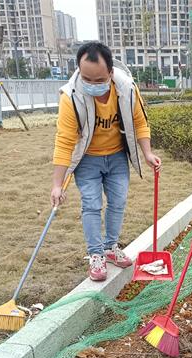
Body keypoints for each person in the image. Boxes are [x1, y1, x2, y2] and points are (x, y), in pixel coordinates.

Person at [50, 42, 161, 282]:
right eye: (86, 79)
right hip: (87, 160)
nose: (92, 84)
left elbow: (140, 122)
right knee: (91, 205)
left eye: (99, 79)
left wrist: (147, 153)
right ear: (79, 71)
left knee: (118, 202)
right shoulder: (71, 97)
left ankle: (110, 247)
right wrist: (57, 184)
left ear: (110, 72)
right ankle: (96, 254)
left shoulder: (127, 88)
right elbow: (65, 141)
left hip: (117, 156)